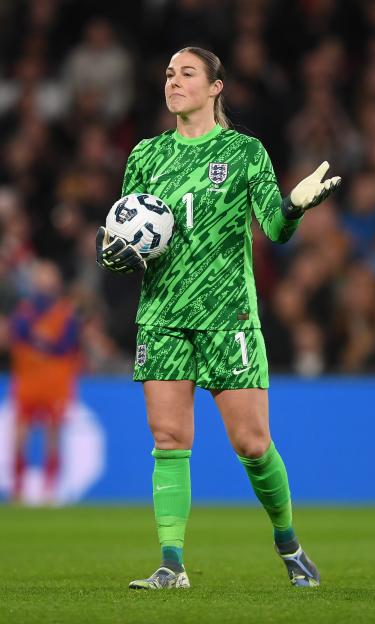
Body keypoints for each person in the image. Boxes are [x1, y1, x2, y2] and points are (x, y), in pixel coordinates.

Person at [96, 47, 341, 590]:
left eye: (187, 74)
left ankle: (290, 545)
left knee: (252, 443)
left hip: (227, 314)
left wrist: (294, 207)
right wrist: (114, 251)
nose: (173, 82)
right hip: (162, 313)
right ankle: (171, 563)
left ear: (215, 88)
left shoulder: (245, 152)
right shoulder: (146, 155)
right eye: (167, 74)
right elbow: (128, 234)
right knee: (168, 438)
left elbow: (274, 230)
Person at [9, 260, 80, 502]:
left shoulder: (64, 313)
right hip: (28, 381)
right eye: (41, 276)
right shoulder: (25, 311)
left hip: (55, 382)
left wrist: (38, 342)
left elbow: (65, 345)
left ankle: (50, 490)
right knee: (20, 436)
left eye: (48, 276)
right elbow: (18, 334)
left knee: (53, 435)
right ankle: (17, 489)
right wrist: (44, 342)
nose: (44, 281)